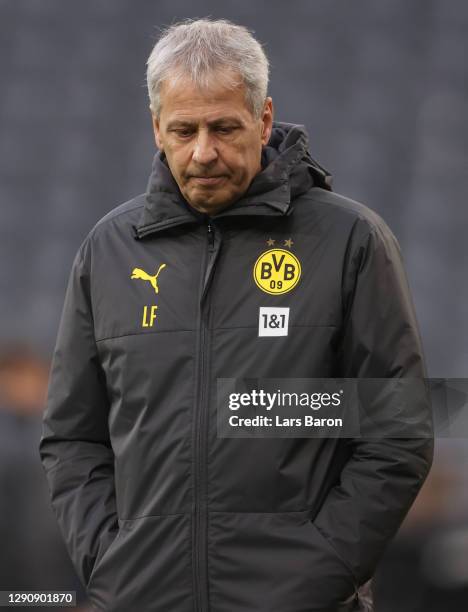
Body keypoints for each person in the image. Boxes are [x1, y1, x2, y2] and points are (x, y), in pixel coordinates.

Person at [39, 18, 434, 612]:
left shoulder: (351, 240)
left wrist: (319, 572)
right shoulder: (107, 249)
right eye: (184, 130)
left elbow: (398, 432)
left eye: (224, 128)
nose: (204, 152)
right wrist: (108, 558)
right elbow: (72, 436)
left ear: (264, 119)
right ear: (156, 129)